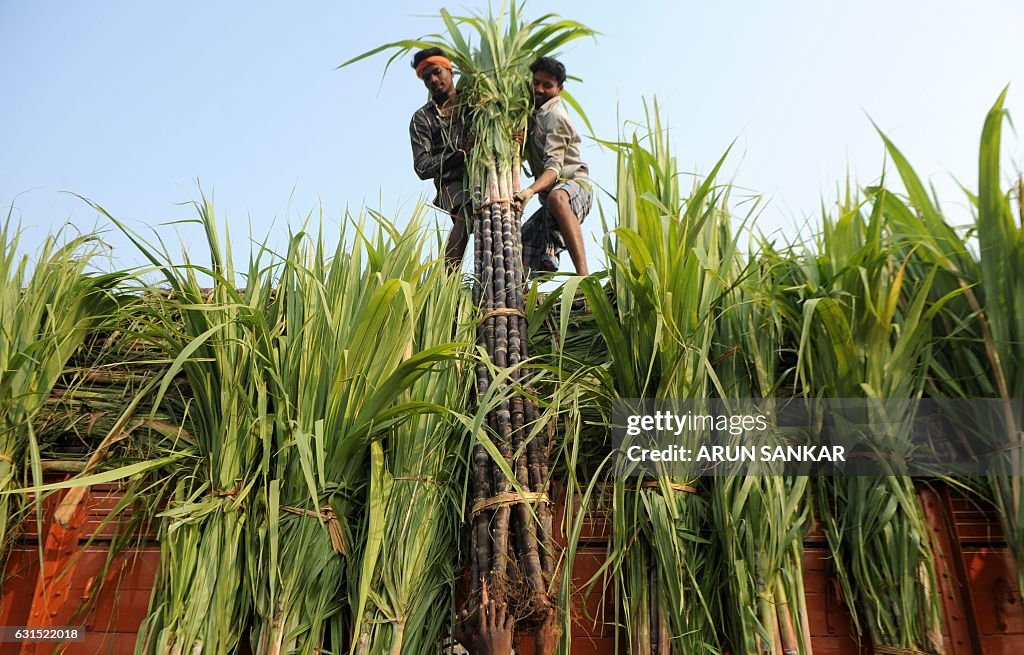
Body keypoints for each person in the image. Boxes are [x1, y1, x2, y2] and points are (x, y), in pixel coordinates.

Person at [513, 56, 592, 278]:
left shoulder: (556, 117)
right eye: (536, 83)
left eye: (547, 85)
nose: (539, 89)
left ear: (560, 89)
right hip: (550, 201)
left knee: (557, 198)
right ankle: (524, 298)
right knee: (518, 244)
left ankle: (583, 278)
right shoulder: (533, 114)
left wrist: (529, 191)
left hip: (574, 187)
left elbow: (554, 170)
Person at [409, 47, 472, 268]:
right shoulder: (422, 119)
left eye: (437, 72)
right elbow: (422, 166)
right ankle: (446, 285)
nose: (433, 80)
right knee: (466, 213)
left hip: (484, 173)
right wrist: (458, 155)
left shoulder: (475, 102)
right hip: (451, 182)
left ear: (450, 70)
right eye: (426, 78)